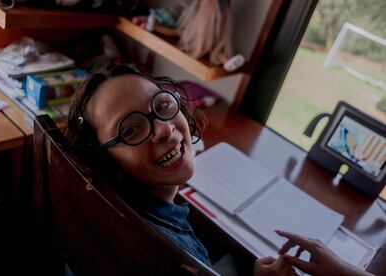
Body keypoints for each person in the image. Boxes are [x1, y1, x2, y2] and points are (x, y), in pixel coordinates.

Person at [64, 63, 371, 276]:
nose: (164, 130)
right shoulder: (166, 251)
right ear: (105, 162)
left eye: (162, 104)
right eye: (131, 129)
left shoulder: (101, 213)